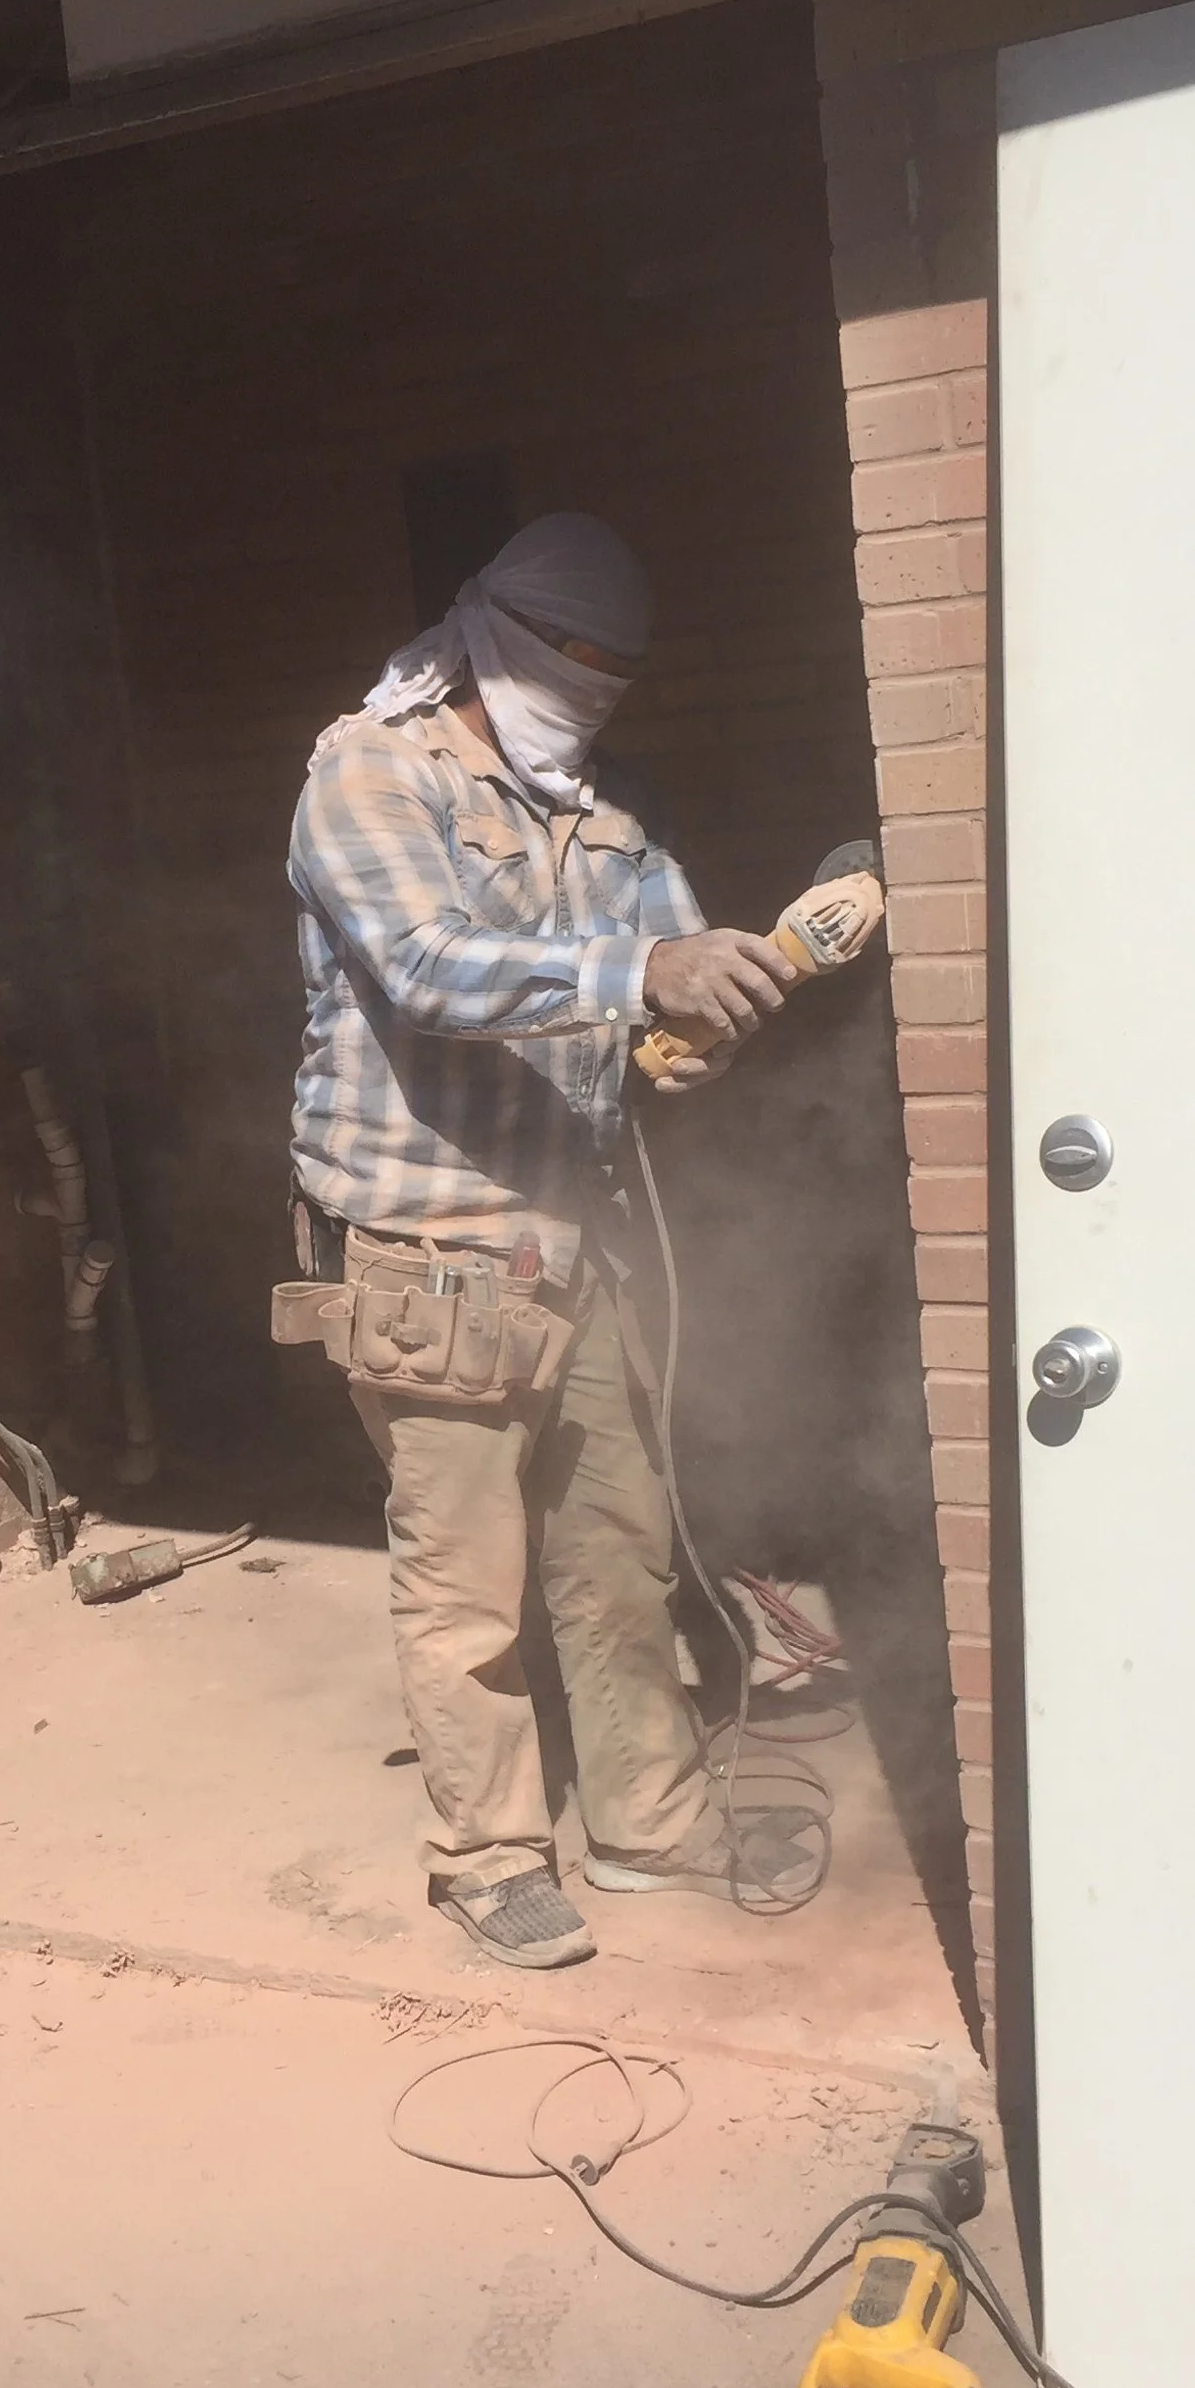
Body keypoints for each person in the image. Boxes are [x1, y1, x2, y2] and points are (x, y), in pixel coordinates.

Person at [283, 512, 809, 1968]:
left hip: (580, 1238)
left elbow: (665, 963)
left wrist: (687, 1030)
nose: (595, 699)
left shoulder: (607, 806)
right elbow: (434, 967)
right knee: (463, 1578)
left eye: (617, 679)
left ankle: (649, 1826)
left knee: (619, 1548)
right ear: (498, 639)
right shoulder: (368, 775)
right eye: (575, 668)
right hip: (432, 1246)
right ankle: (488, 1857)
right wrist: (643, 973)